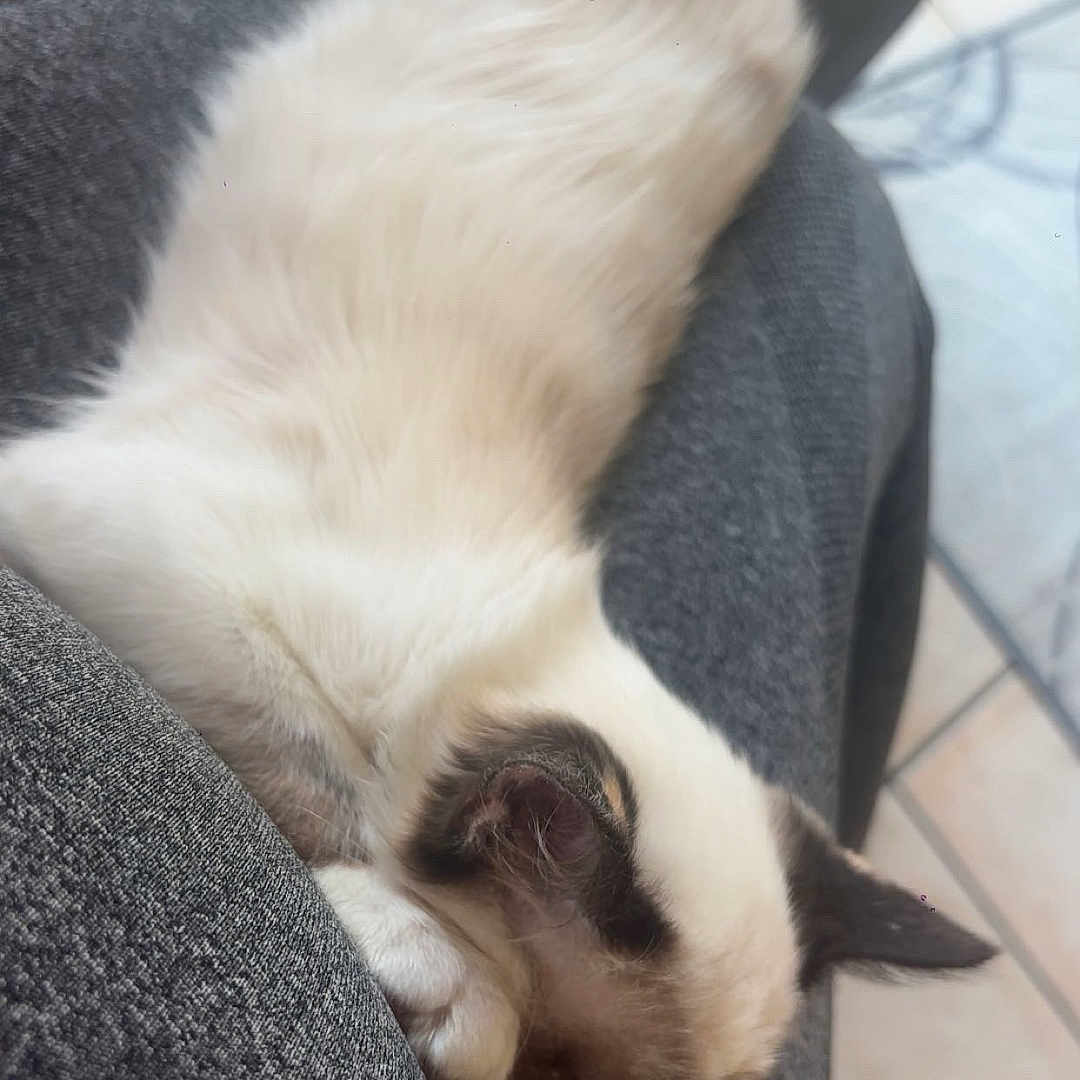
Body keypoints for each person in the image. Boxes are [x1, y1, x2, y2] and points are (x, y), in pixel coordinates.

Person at [0, 2, 928, 1077]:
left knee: (835, 187)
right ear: (507, 815)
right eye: (565, 1062)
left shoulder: (525, 765)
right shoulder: (351, 624)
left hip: (718, 61)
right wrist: (339, 853)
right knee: (837, 197)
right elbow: (49, 507)